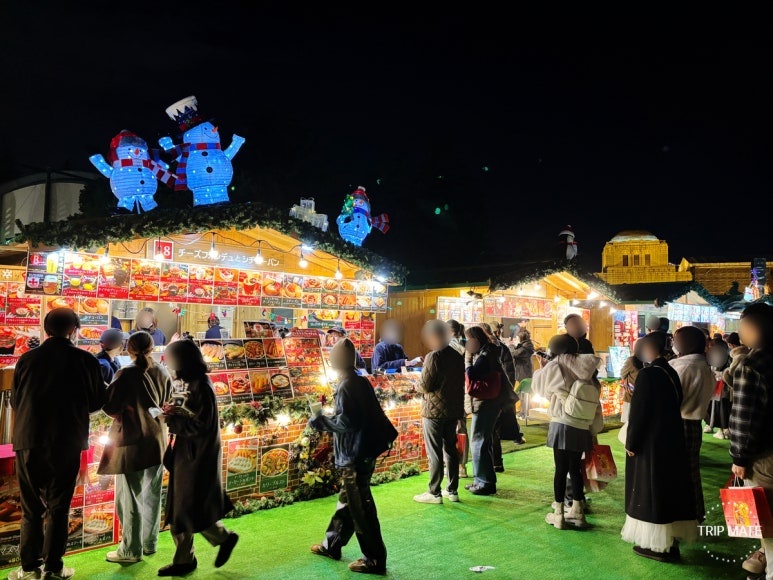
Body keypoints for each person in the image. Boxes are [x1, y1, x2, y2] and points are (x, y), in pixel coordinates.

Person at [10, 308, 105, 580]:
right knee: (59, 507)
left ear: (46, 330)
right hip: (67, 440)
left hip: (28, 440)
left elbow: (16, 401)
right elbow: (98, 402)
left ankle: (29, 569)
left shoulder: (27, 359)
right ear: (74, 329)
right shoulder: (85, 360)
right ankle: (54, 568)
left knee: (31, 509)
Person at [157, 339, 238, 576]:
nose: (167, 361)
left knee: (186, 508)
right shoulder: (188, 382)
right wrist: (172, 411)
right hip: (187, 453)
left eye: (171, 356)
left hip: (197, 456)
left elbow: (201, 424)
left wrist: (173, 419)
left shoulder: (201, 385)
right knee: (184, 507)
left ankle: (215, 542)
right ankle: (187, 556)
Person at [309, 338, 388, 574]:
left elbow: (346, 421)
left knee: (360, 506)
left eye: (332, 355)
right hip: (362, 451)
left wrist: (320, 421)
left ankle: (374, 559)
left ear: (337, 360)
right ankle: (332, 544)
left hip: (355, 454)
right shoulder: (357, 381)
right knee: (348, 501)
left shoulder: (348, 385)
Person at [621, 331, 697, 562]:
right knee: (668, 488)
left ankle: (658, 546)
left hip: (650, 443)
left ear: (647, 349)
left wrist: (631, 443)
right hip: (670, 439)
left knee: (651, 490)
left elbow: (639, 413)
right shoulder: (670, 371)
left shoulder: (648, 374)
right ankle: (669, 542)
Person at [99, 331, 172, 564]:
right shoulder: (162, 370)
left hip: (131, 440)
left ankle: (130, 549)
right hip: (158, 439)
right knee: (152, 494)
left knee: (130, 497)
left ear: (128, 349)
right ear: (152, 348)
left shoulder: (126, 373)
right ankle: (150, 544)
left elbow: (110, 407)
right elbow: (168, 401)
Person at [532, 334, 603, 529]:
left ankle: (559, 514)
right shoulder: (587, 366)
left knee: (560, 470)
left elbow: (540, 389)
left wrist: (543, 366)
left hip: (562, 421)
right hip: (581, 424)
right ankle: (578, 512)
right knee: (575, 470)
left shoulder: (555, 365)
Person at [729, 304, 773, 579]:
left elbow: (743, 419)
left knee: (768, 524)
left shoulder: (752, 365)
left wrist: (739, 458)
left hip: (764, 458)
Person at [413, 320, 465, 504]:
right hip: (452, 410)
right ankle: (452, 490)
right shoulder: (457, 355)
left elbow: (425, 385)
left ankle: (434, 492)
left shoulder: (433, 356)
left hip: (434, 412)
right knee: (450, 449)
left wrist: (416, 385)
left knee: (434, 452)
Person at [669, 326, 715, 523]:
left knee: (675, 473)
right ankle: (694, 514)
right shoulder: (704, 367)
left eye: (676, 339)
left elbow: (671, 399)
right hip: (695, 424)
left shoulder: (682, 367)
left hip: (679, 423)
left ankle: (679, 518)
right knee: (691, 472)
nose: (673, 343)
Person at [463, 326, 512, 495]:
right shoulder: (490, 352)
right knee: (484, 442)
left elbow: (472, 373)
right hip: (491, 402)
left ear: (476, 340)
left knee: (479, 442)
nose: (467, 343)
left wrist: (467, 359)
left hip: (485, 403)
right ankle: (481, 479)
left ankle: (484, 482)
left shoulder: (485, 356)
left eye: (469, 340)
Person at [479, 323, 523, 470]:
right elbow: (509, 372)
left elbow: (507, 371)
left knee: (490, 431)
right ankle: (496, 463)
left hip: (493, 395)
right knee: (494, 431)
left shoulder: (491, 349)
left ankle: (493, 464)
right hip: (499, 394)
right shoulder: (499, 347)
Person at [447, 320, 470, 478]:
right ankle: (462, 466)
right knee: (461, 429)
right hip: (464, 391)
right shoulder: (466, 345)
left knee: (453, 429)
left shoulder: (449, 347)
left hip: (453, 392)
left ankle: (455, 466)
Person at [704, 340, 731, 439]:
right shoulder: (727, 356)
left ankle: (722, 429)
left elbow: (716, 371)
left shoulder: (720, 356)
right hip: (721, 387)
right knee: (720, 407)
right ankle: (722, 429)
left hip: (720, 386)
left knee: (720, 408)